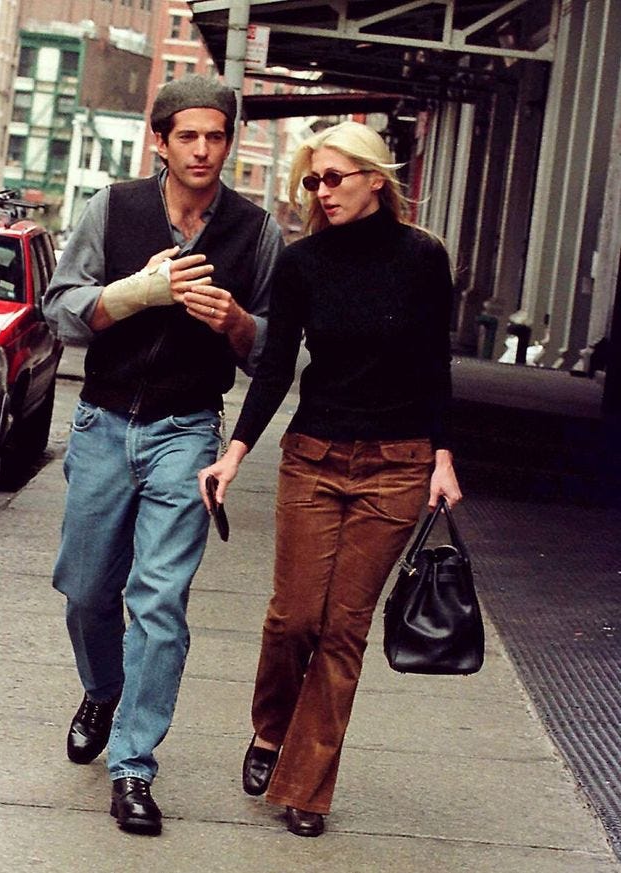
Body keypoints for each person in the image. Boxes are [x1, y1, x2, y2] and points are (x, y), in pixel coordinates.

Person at [199, 120, 462, 838]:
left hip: (397, 465)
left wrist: (443, 457)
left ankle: (306, 789)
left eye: (334, 178)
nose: (321, 191)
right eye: (313, 180)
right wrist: (235, 451)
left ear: (376, 178)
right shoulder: (302, 262)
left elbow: (434, 365)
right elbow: (274, 365)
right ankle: (269, 728)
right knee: (294, 619)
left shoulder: (423, 258)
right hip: (314, 457)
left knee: (343, 629)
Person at [44, 75, 283, 837]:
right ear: (161, 140)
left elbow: (275, 350)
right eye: (188, 136)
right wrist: (136, 293)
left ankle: (133, 765)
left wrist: (237, 322)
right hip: (103, 421)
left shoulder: (254, 231)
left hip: (187, 430)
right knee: (86, 588)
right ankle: (102, 688)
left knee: (158, 601)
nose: (203, 149)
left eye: (216, 135)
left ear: (229, 141)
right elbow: (61, 309)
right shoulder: (113, 208)